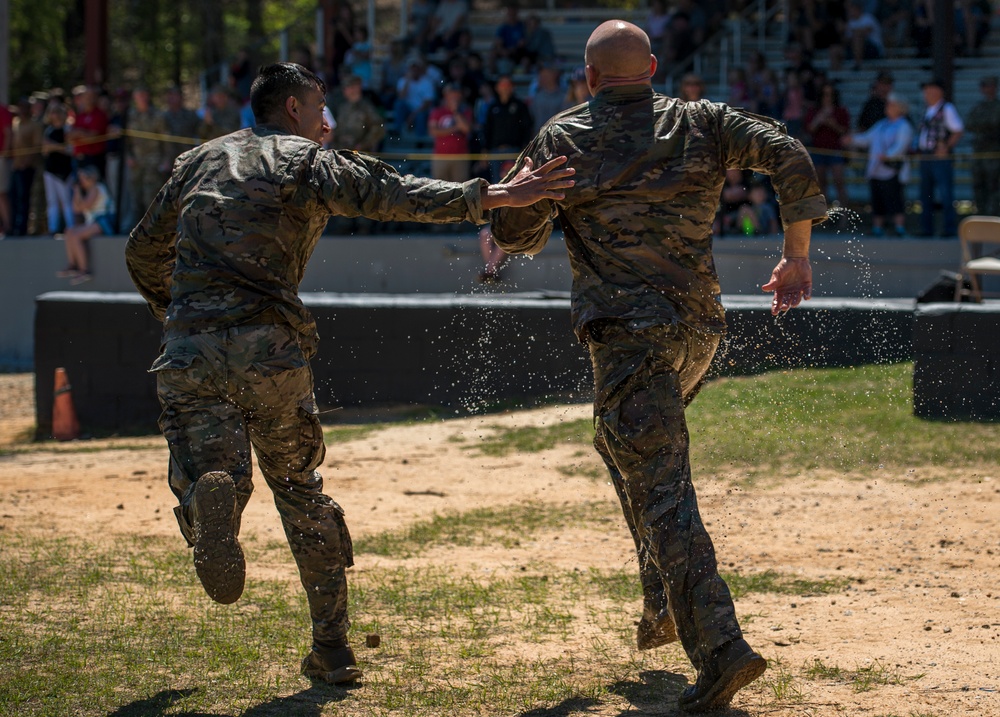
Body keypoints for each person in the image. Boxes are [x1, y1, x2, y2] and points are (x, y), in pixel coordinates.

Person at [124, 62, 574, 686]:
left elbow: (142, 249)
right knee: (301, 490)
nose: (324, 118)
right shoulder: (308, 161)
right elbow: (399, 194)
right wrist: (494, 197)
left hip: (192, 349)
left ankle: (207, 507)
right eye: (318, 106)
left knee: (213, 470)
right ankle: (331, 646)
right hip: (271, 350)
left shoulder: (197, 161)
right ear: (292, 110)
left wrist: (175, 315)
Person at [490, 21, 826, 713]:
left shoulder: (563, 137)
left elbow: (518, 235)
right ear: (648, 67)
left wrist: (514, 205)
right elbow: (788, 152)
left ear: (589, 78)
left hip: (628, 340)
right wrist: (796, 252)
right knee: (620, 446)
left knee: (662, 485)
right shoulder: (702, 120)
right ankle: (661, 600)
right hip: (696, 330)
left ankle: (721, 646)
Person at [843, 93, 913, 237]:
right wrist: (852, 140)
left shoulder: (904, 125)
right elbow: (867, 138)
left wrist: (888, 155)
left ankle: (899, 227)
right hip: (877, 169)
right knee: (877, 199)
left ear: (900, 108)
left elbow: (901, 145)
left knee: (895, 199)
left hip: (892, 169)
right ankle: (877, 228)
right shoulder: (881, 124)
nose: (888, 107)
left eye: (891, 104)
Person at [915, 76, 964, 237]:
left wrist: (947, 146)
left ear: (938, 91)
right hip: (926, 156)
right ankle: (926, 228)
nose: (926, 92)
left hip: (939, 157)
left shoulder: (947, 108)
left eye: (929, 89)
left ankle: (949, 228)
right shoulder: (928, 110)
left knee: (945, 193)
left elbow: (958, 130)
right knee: (926, 193)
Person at [57, 165, 113, 283]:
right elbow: (75, 209)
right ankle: (72, 265)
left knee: (76, 235)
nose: (81, 182)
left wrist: (77, 192)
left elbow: (84, 206)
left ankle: (84, 270)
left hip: (103, 222)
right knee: (69, 231)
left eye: (83, 179)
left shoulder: (97, 188)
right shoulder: (87, 191)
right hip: (93, 222)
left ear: (92, 178)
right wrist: (77, 192)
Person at [806, 82, 851, 207]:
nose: (827, 97)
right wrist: (818, 120)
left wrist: (833, 124)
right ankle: (823, 216)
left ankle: (844, 216)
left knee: (839, 183)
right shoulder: (814, 111)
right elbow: (809, 129)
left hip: (835, 150)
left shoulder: (840, 111)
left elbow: (845, 131)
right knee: (820, 185)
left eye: (830, 95)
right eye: (825, 94)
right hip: (818, 150)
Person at [965, 76, 1000, 217]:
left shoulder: (997, 106)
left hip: (994, 154)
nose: (987, 89)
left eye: (990, 86)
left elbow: (994, 124)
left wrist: (984, 127)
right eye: (985, 86)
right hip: (979, 153)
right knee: (978, 187)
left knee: (994, 188)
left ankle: (993, 218)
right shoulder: (978, 107)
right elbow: (969, 124)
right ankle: (981, 217)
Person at [428, 83, 473, 184]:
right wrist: (455, 128)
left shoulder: (466, 111)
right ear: (446, 96)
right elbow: (433, 131)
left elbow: (466, 129)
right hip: (441, 156)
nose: (454, 97)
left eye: (457, 94)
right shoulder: (437, 111)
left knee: (460, 188)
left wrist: (455, 111)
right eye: (451, 94)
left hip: (460, 156)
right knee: (438, 188)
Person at [41, 104, 76, 234]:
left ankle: (71, 227)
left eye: (56, 112)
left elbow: (71, 150)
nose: (54, 115)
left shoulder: (67, 129)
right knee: (52, 201)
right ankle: (53, 228)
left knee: (67, 201)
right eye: (51, 112)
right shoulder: (48, 130)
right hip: (50, 170)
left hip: (64, 171)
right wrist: (53, 147)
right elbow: (45, 150)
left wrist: (53, 146)